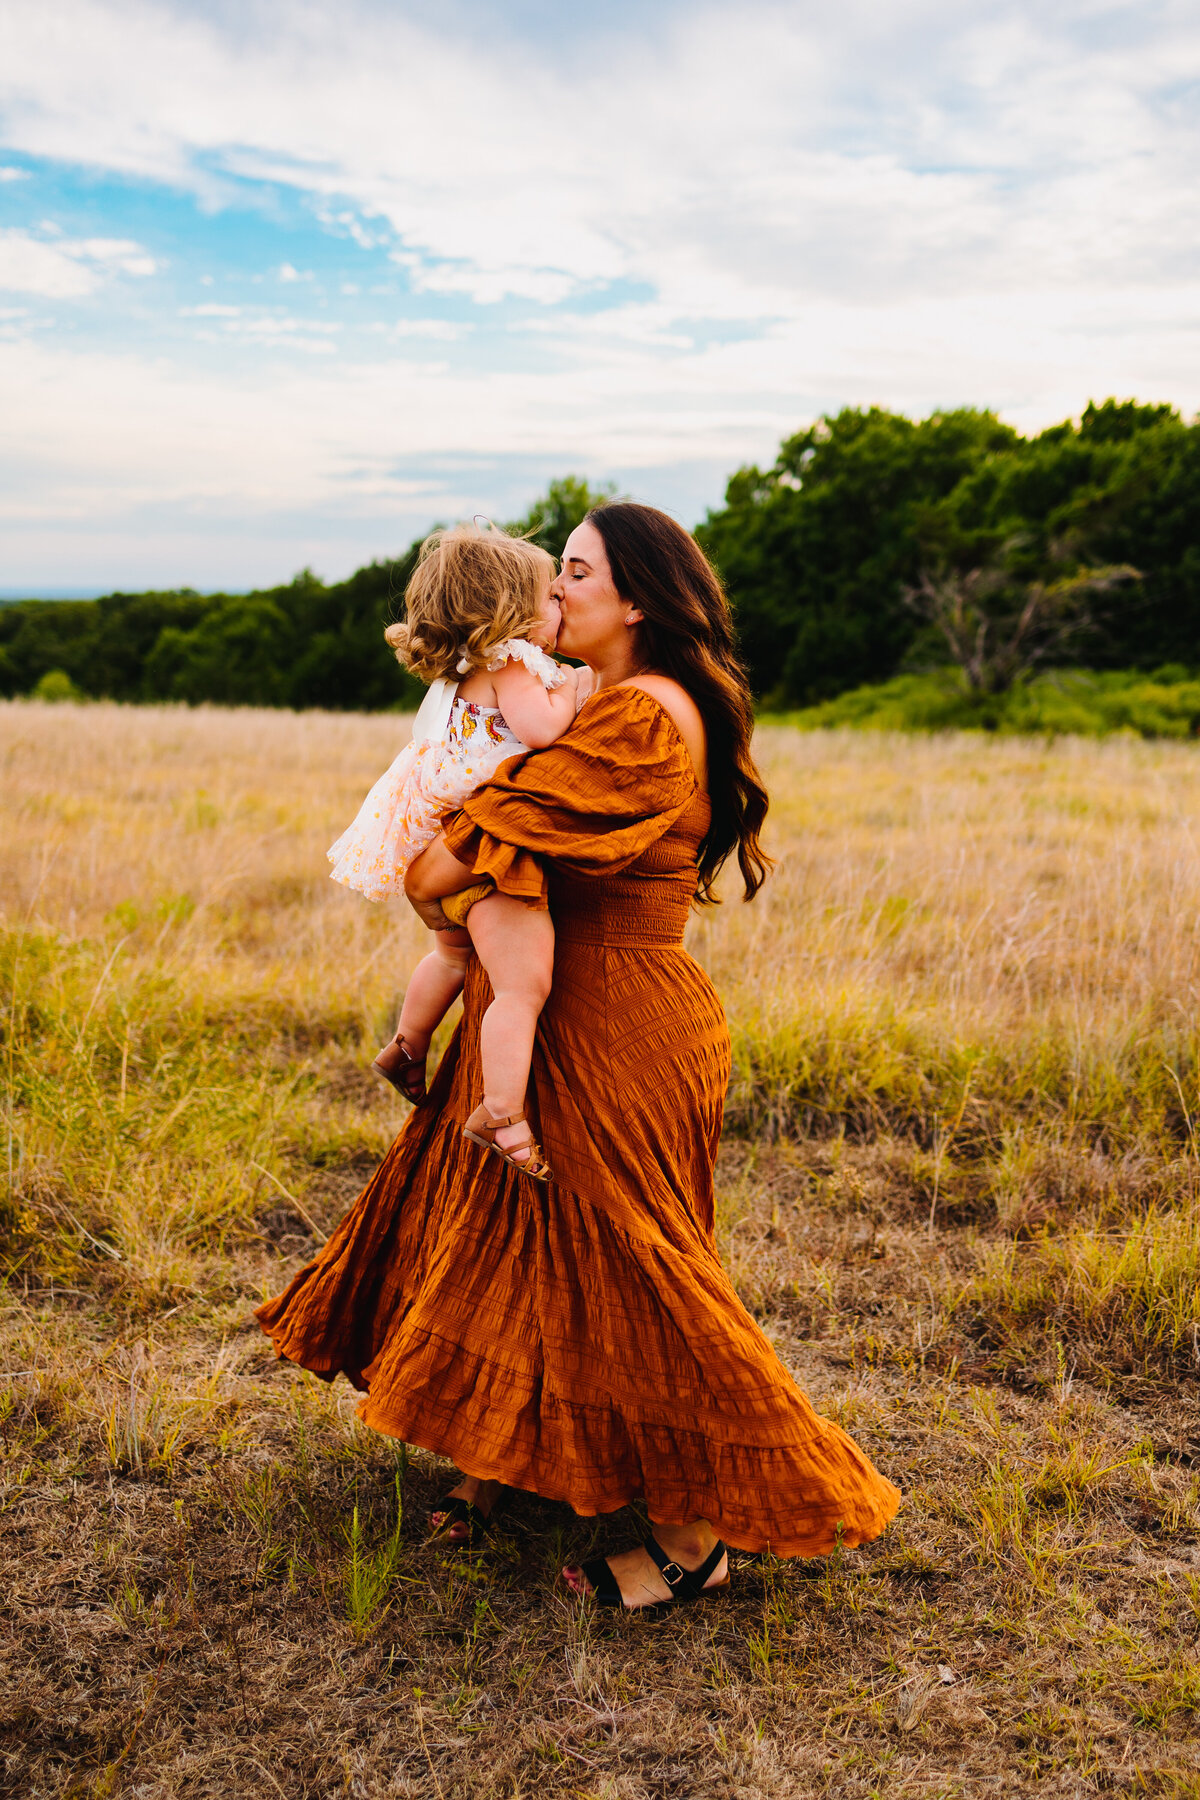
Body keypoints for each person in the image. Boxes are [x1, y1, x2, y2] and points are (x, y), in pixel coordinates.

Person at [257, 502, 899, 1607]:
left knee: (626, 1260)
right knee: (506, 1234)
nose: (555, 591)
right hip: (550, 999)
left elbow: (437, 872)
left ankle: (698, 1536)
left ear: (637, 599)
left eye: (576, 572)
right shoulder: (592, 702)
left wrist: (445, 846)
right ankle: (500, 1455)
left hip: (613, 1014)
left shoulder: (641, 718)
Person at [327, 522, 582, 1175]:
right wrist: (577, 690)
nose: (561, 599)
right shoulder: (515, 667)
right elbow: (543, 732)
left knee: (450, 957)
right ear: (511, 614)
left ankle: (407, 1042)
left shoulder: (457, 678)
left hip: (443, 846)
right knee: (521, 990)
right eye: (551, 595)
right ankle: (502, 1113)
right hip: (489, 859)